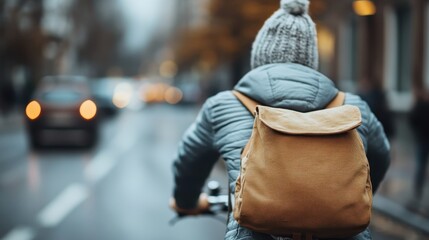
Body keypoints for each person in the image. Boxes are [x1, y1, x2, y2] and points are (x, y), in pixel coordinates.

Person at [170, 0, 391, 239]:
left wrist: (186, 202)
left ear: (259, 58)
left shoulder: (223, 105)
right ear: (311, 62)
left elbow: (189, 161)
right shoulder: (354, 108)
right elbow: (380, 156)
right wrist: (353, 195)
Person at [409, 90, 429, 202]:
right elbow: (413, 119)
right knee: (421, 166)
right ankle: (418, 189)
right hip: (422, 140)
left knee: (421, 166)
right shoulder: (420, 106)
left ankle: (418, 189)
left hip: (422, 140)